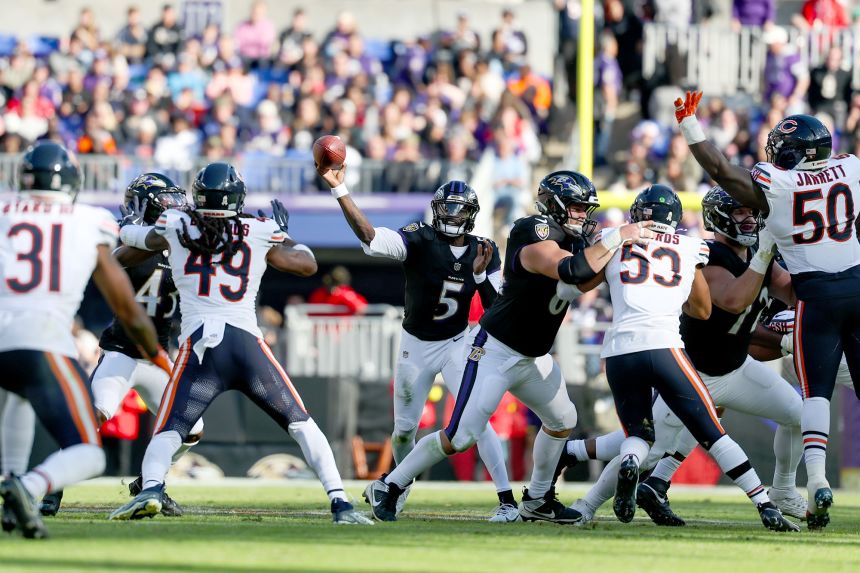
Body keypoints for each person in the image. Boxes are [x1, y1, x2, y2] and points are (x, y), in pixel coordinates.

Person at [361, 170, 655, 523]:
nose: (583, 215)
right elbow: (571, 270)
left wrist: (617, 244)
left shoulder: (577, 241)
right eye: (576, 207)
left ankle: (538, 499)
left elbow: (585, 276)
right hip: (496, 351)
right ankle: (391, 487)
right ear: (554, 205)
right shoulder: (532, 231)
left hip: (533, 356)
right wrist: (617, 237)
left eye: (585, 208)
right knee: (461, 436)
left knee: (563, 419)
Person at [107, 162, 371, 525]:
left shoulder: (176, 225)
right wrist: (285, 234)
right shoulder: (259, 230)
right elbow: (306, 265)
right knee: (301, 423)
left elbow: (132, 242)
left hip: (199, 348)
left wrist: (128, 225)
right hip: (246, 344)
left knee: (169, 429)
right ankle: (340, 502)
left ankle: (151, 488)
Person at [556, 187, 806, 525]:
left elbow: (789, 293)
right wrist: (764, 260)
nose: (749, 219)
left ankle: (783, 489)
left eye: (752, 212)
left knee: (796, 414)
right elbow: (731, 303)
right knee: (651, 445)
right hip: (694, 369)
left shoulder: (756, 257)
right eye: (740, 212)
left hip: (732, 368)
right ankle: (588, 500)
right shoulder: (711, 254)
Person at [675, 89, 860, 530]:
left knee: (814, 393)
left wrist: (690, 124)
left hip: (815, 295)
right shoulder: (851, 168)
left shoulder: (777, 185)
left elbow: (720, 169)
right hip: (856, 283)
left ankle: (815, 478)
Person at [319, 165, 517, 522]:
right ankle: (399, 486)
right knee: (404, 430)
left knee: (478, 417)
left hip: (459, 341)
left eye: (460, 209)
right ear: (436, 210)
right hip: (417, 343)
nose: (453, 216)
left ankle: (507, 499)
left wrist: (478, 275)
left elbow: (495, 306)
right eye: (448, 208)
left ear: (471, 215)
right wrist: (340, 189)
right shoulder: (419, 238)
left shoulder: (484, 249)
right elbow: (370, 237)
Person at [0, 142, 169, 539]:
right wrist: (156, 353)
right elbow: (127, 309)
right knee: (90, 453)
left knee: (18, 399)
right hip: (42, 340)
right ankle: (27, 487)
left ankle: (10, 491)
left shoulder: (4, 209)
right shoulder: (89, 220)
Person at [37, 173, 203, 518]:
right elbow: (113, 260)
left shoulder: (181, 240)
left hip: (158, 353)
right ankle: (52, 487)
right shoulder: (123, 236)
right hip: (122, 351)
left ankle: (149, 483)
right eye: (167, 200)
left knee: (193, 429)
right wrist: (148, 236)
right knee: (92, 417)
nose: (175, 205)